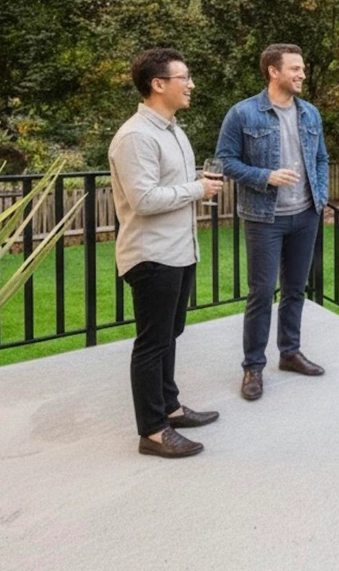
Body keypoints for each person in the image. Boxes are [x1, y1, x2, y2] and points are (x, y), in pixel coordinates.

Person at [109, 48, 223, 458]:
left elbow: (166, 183)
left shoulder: (172, 129)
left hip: (178, 251)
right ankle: (153, 431)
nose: (190, 84)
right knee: (152, 343)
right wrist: (198, 189)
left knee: (169, 335)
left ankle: (170, 408)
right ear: (158, 85)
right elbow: (143, 199)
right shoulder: (136, 136)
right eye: (184, 78)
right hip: (152, 256)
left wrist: (194, 181)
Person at [216, 43, 330, 401]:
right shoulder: (243, 114)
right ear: (273, 71)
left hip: (306, 214)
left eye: (303, 68)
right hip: (265, 218)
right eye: (295, 69)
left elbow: (323, 158)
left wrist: (320, 196)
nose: (302, 74)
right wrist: (266, 175)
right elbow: (225, 161)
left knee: (296, 289)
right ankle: (253, 367)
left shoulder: (310, 113)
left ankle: (290, 353)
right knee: (262, 292)